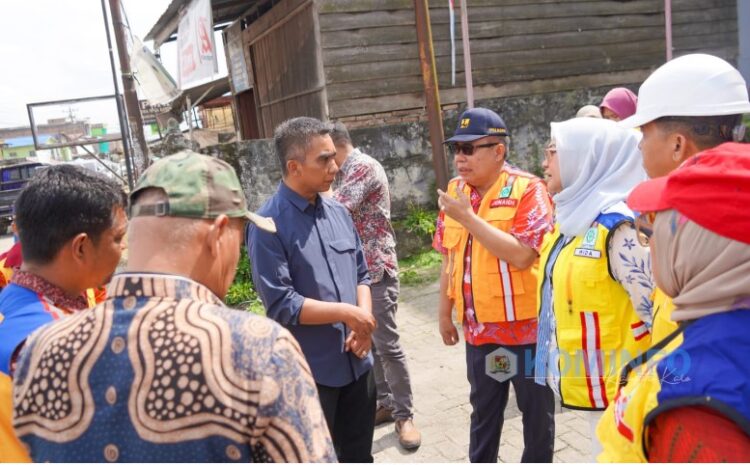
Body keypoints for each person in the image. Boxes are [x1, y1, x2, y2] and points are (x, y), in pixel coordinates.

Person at [13, 151, 336, 462]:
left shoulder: (40, 350)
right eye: (239, 242)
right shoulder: (258, 349)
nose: (237, 257)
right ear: (219, 233)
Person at [598, 144, 750, 462]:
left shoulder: (698, 412)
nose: (649, 244)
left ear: (700, 247)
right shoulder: (720, 330)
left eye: (654, 228)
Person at [248, 117, 377, 463]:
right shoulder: (267, 226)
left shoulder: (338, 212)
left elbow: (362, 274)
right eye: (323, 159)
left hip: (359, 361)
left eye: (334, 156)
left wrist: (362, 323)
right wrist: (350, 315)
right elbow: (282, 304)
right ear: (294, 166)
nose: (334, 166)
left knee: (360, 456)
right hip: (311, 373)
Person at [434, 107, 556, 463]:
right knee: (485, 413)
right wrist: (444, 313)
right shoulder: (457, 191)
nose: (460, 158)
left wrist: (469, 219)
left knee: (536, 416)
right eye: (456, 148)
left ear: (499, 151)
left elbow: (522, 256)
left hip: (527, 336)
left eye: (470, 149)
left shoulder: (528, 190)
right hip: (483, 336)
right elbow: (448, 257)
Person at [536, 117, 652, 459]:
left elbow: (655, 314)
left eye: (553, 152)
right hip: (596, 390)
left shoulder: (621, 228)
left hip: (626, 390)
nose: (544, 162)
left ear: (585, 157)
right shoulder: (573, 219)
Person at [618, 53, 750, 346]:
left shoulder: (689, 230)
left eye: (644, 133)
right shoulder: (734, 209)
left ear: (677, 144)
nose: (640, 145)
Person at [0, 165, 127, 462]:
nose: (123, 249)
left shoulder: (11, 303)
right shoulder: (60, 343)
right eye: (118, 238)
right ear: (80, 247)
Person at [330, 122, 420, 450]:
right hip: (358, 272)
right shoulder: (343, 171)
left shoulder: (361, 167)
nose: (327, 165)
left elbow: (336, 209)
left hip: (377, 270)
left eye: (327, 156)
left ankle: (405, 414)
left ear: (337, 145)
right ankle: (384, 403)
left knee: (388, 344)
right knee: (371, 344)